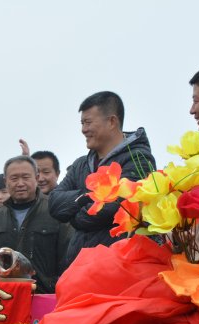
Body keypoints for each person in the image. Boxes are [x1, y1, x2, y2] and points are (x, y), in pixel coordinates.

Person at [48, 91, 155, 271]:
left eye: (88, 122)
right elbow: (54, 203)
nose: (84, 129)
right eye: (82, 123)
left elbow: (116, 207)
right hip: (78, 268)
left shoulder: (139, 159)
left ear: (112, 121)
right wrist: (87, 196)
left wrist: (74, 216)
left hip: (118, 268)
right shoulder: (81, 165)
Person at [0, 156, 68, 293]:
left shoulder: (55, 210)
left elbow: (67, 258)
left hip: (45, 296)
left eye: (26, 177)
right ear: (6, 182)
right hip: (4, 297)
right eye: (14, 178)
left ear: (36, 178)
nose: (20, 183)